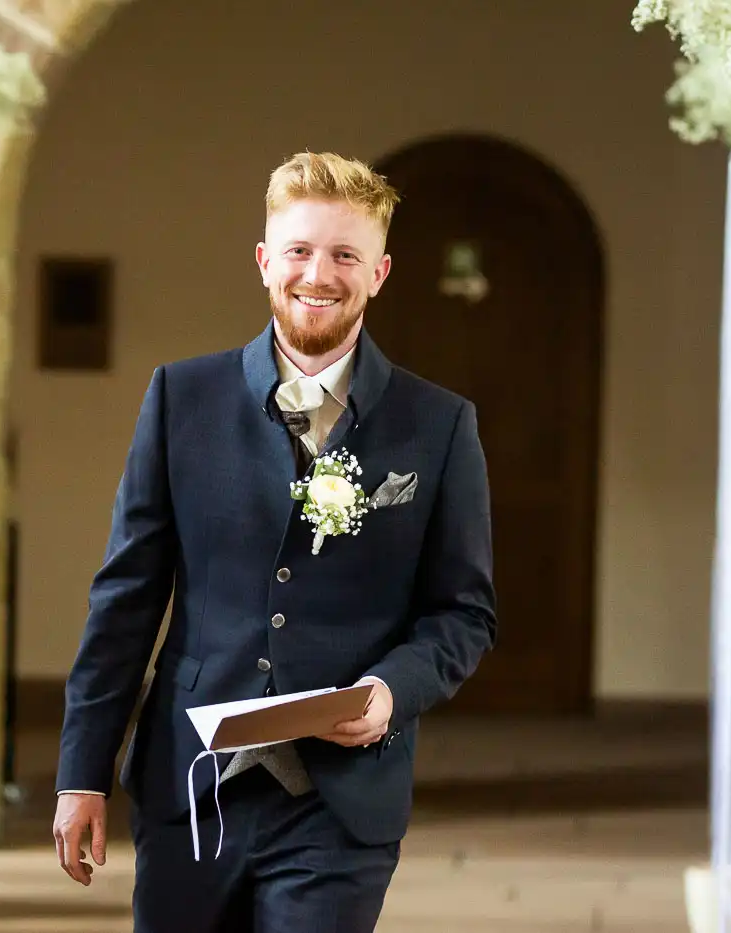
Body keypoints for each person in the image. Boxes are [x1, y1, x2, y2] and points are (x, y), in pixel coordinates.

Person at [51, 151, 497, 932]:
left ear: (380, 271)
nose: (317, 274)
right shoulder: (180, 398)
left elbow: (464, 612)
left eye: (344, 254)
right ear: (265, 261)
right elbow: (125, 598)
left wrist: (390, 691)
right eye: (298, 250)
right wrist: (80, 773)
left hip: (341, 800)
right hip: (191, 783)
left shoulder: (439, 425)